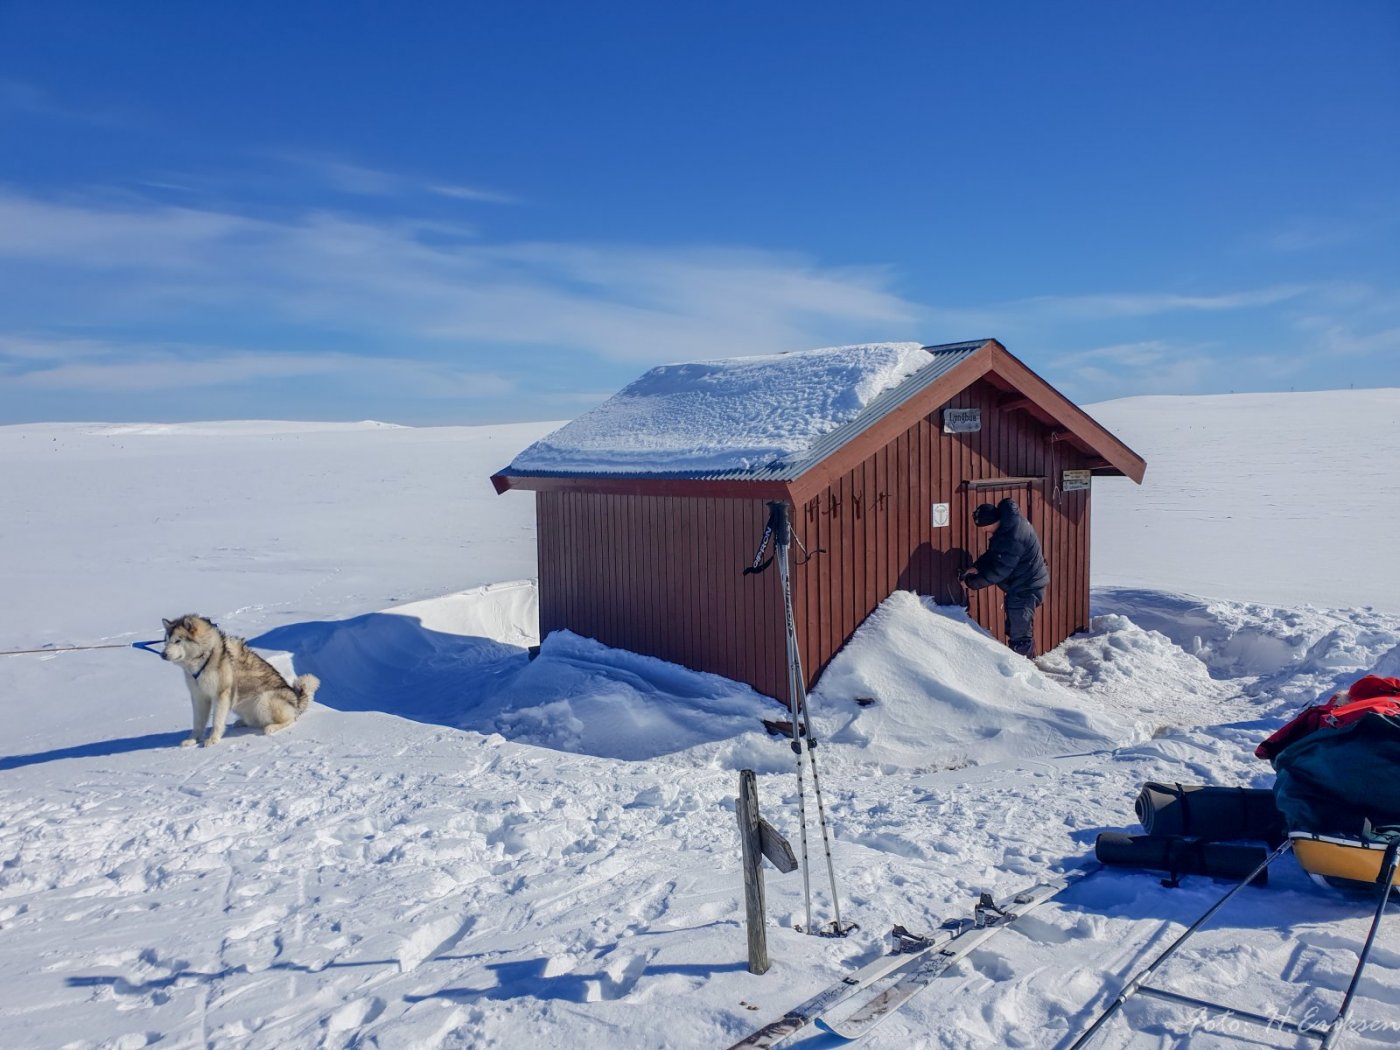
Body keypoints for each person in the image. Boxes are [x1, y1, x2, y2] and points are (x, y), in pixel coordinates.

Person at [958, 498, 1049, 658]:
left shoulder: (1012, 536)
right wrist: (978, 567)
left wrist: (970, 583)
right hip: (1024, 584)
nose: (984, 531)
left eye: (984, 528)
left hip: (1026, 587)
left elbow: (1000, 570)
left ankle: (1024, 668)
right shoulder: (1008, 527)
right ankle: (1023, 663)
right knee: (1016, 628)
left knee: (1020, 636)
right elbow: (995, 554)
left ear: (991, 522)